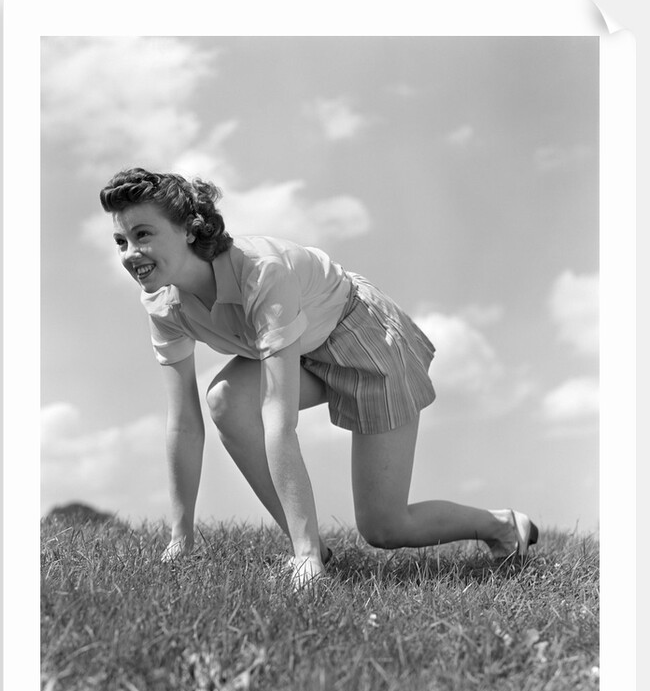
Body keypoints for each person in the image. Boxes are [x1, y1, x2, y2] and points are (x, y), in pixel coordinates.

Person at [99, 167, 538, 589]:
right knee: (225, 401)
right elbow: (183, 424)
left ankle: (502, 526)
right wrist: (181, 537)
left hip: (367, 342)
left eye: (143, 234)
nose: (130, 253)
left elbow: (279, 416)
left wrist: (304, 557)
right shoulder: (161, 303)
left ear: (189, 230)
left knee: (384, 528)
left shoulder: (260, 273)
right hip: (307, 351)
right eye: (121, 240)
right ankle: (309, 550)